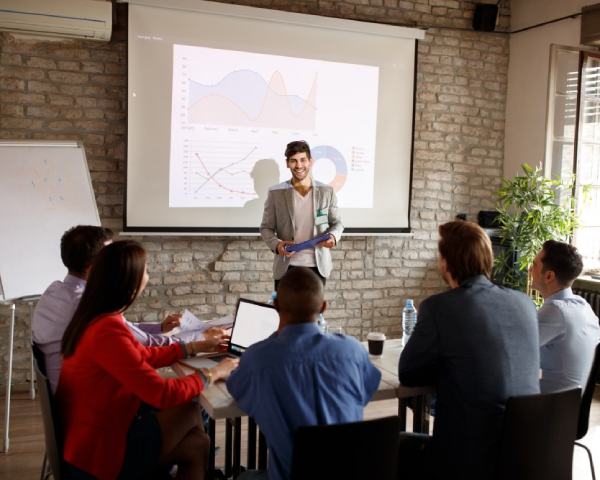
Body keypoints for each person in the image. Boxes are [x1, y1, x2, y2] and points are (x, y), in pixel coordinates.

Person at [57, 240, 238, 480]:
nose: (148, 275)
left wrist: (194, 347)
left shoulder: (96, 318)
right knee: (191, 409)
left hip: (94, 436)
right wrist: (214, 373)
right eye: (146, 270)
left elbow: (140, 355)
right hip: (100, 453)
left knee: (198, 444)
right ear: (130, 282)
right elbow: (160, 393)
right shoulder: (108, 330)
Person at [398, 221, 540, 480]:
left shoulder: (439, 308)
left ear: (445, 263)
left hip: (469, 458)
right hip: (525, 453)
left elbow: (408, 373)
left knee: (396, 446)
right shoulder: (525, 303)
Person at [226, 266, 381, 480]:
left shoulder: (258, 359)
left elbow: (237, 391)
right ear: (323, 308)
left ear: (275, 306)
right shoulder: (352, 351)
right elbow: (363, 394)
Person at [32, 225, 220, 392]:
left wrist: (160, 328)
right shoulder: (88, 307)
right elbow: (144, 345)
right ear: (94, 268)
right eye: (111, 256)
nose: (118, 259)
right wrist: (200, 339)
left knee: (190, 416)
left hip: (73, 396)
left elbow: (127, 330)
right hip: (96, 398)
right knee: (195, 401)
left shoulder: (56, 291)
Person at [260, 140, 343, 288]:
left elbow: (337, 223)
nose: (298, 166)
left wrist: (333, 236)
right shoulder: (275, 193)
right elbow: (266, 228)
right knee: (284, 311)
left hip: (317, 267)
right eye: (293, 161)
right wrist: (277, 245)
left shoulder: (326, 192)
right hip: (286, 267)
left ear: (310, 162)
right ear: (287, 164)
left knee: (314, 312)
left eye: (303, 160)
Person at [530, 240, 600, 393]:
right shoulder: (584, 306)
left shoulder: (555, 310)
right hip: (570, 407)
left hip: (545, 408)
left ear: (549, 276)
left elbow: (513, 349)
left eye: (534, 265)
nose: (529, 269)